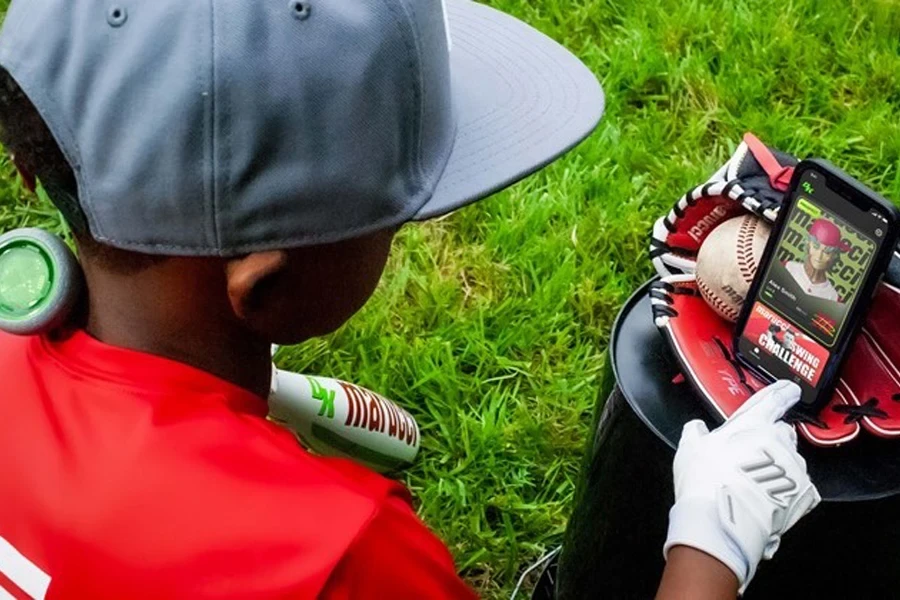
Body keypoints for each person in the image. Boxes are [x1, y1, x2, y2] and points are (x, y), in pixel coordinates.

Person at [0, 1, 817, 599]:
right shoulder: (338, 560)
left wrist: (238, 408)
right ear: (266, 285)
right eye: (393, 217)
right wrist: (710, 547)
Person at [784, 218, 849, 302]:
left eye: (827, 252)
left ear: (834, 256)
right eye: (815, 246)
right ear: (808, 245)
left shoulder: (833, 297)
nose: (819, 256)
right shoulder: (787, 267)